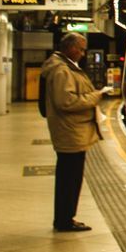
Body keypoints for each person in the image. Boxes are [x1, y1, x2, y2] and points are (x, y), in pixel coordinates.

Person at [42, 33, 112, 232]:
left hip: (71, 130)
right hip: (70, 131)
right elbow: (66, 102)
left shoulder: (63, 66)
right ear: (70, 48)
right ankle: (64, 220)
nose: (82, 53)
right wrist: (95, 96)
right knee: (69, 179)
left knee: (70, 178)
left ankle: (65, 218)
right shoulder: (62, 70)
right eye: (80, 49)